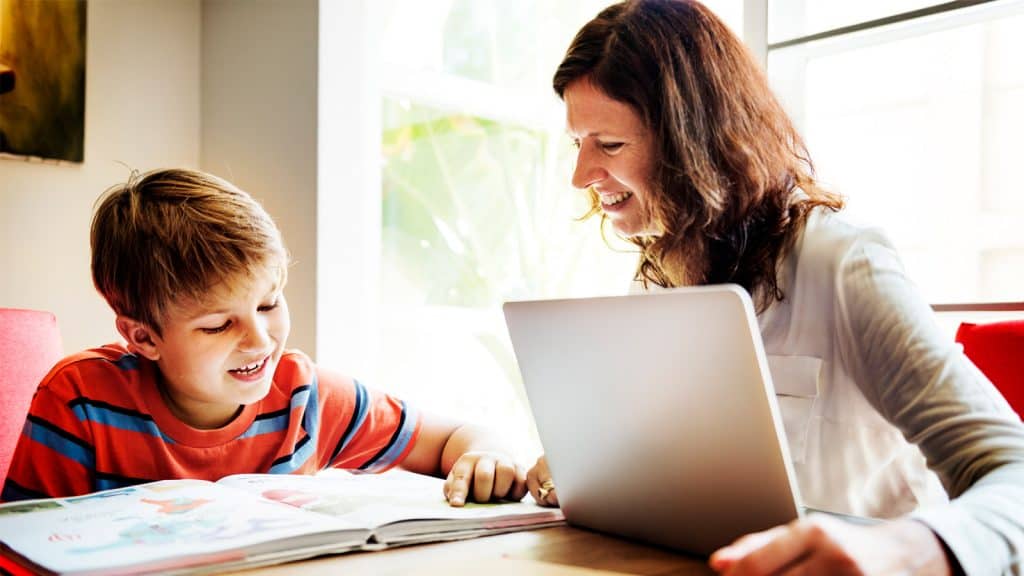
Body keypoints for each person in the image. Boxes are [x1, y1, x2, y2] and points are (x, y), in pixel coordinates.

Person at [525, 1, 1024, 574]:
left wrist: (908, 548)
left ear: (695, 143)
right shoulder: (659, 278)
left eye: (609, 145)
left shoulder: (842, 263)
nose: (581, 176)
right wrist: (593, 473)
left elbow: (1014, 474)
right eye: (578, 143)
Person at [3, 168, 535, 509]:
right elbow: (21, 546)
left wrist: (488, 455)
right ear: (143, 338)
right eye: (218, 324)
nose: (260, 339)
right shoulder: (79, 403)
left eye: (268, 304)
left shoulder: (303, 396)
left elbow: (451, 437)